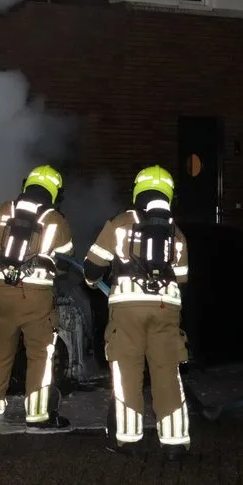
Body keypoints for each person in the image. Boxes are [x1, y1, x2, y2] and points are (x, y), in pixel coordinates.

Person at [82, 165, 191, 461]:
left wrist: (93, 281)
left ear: (137, 191)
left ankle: (128, 440)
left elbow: (92, 266)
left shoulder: (120, 223)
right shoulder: (176, 231)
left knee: (127, 371)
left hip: (127, 309)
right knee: (166, 372)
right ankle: (175, 443)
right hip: (166, 309)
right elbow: (182, 277)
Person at [0, 164, 75, 430]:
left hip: (0, 291)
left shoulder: (1, 210)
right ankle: (37, 413)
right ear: (54, 192)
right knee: (40, 354)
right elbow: (66, 259)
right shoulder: (56, 220)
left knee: (0, 349)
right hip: (35, 296)